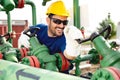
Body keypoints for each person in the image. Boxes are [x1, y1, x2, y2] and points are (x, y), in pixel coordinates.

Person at [18, 0, 76, 73]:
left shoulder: (63, 38)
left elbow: (69, 55)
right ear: (48, 20)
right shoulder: (40, 29)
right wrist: (23, 35)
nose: (61, 26)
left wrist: (74, 45)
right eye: (57, 21)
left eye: (65, 22)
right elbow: (27, 30)